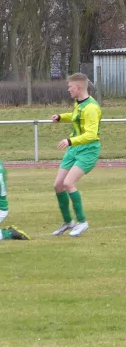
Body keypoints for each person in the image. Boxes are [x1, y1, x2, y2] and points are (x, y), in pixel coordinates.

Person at [50, 73, 101, 237]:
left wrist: (70, 141)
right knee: (58, 185)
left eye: (70, 87)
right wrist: (60, 117)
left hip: (88, 150)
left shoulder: (92, 108)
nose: (68, 89)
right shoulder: (79, 103)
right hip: (74, 150)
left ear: (78, 87)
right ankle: (68, 222)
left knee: (68, 183)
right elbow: (75, 117)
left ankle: (82, 222)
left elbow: (92, 134)